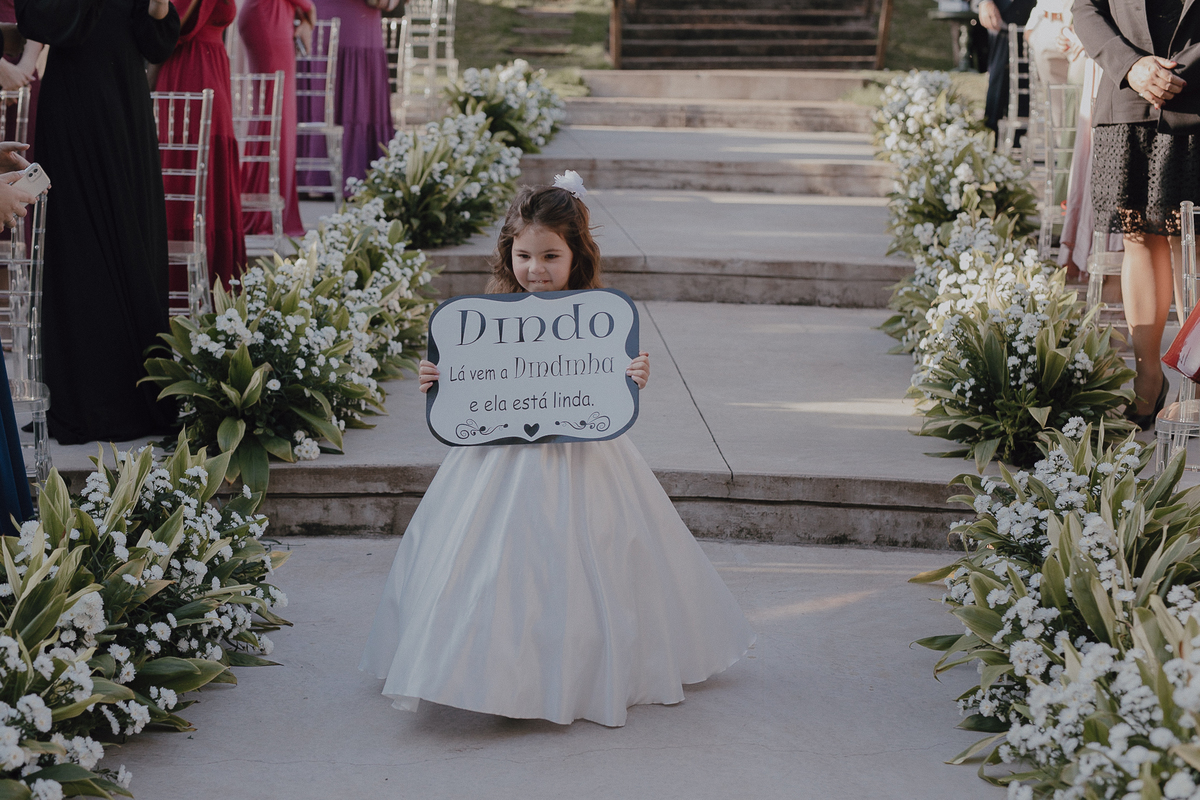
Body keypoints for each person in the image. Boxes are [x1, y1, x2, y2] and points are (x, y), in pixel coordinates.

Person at [360, 173, 756, 728]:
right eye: (524, 256)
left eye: (551, 256)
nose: (536, 269)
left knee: (591, 551)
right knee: (486, 558)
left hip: (581, 452)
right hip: (497, 453)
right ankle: (480, 672)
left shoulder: (594, 316)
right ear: (508, 254)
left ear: (576, 257)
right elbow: (474, 376)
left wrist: (631, 372)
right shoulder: (492, 316)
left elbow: (606, 372)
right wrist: (440, 378)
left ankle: (575, 672)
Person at [17, 0, 180, 444]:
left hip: (127, 109)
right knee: (80, 251)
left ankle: (141, 393)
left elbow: (157, 44)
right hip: (75, 107)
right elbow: (39, 19)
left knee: (136, 242)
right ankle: (85, 399)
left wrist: (159, 6)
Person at [1075, 0, 1200, 429]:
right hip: (1128, 100)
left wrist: (1178, 71)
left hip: (1198, 96)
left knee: (1192, 241)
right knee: (1139, 237)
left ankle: (1195, 386)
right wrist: (1131, 66)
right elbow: (1085, 8)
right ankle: (1147, 381)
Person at [156, 0, 245, 290]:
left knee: (209, 165)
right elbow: (169, 28)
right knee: (195, 166)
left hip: (210, 66)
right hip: (192, 70)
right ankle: (191, 282)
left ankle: (214, 279)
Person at [297, 0, 396, 196]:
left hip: (340, 20)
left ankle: (316, 176)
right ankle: (356, 175)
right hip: (350, 21)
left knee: (328, 86)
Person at [238, 0, 314, 238]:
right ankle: (268, 211)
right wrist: (308, 13)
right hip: (270, 18)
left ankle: (266, 202)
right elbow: (308, 7)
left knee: (273, 114)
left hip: (270, 16)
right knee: (276, 115)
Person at [978, 0, 1038, 133]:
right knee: (999, 79)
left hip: (1044, 15)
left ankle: (1019, 137)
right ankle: (990, 135)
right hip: (1002, 15)